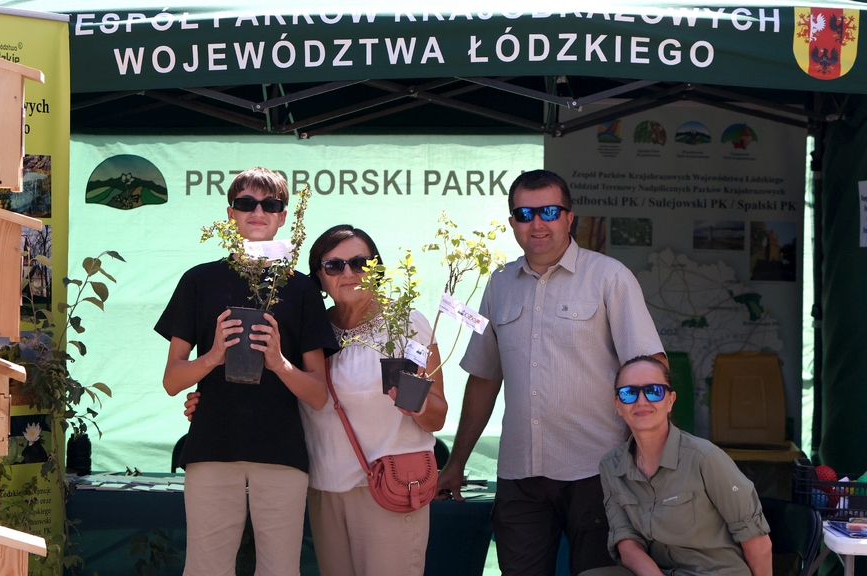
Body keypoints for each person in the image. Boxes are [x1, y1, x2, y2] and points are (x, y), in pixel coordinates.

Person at [435, 169, 667, 576]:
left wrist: (648, 459)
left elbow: (650, 371)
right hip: (520, 474)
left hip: (599, 470)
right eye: (524, 214)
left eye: (549, 211)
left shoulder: (609, 277)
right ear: (512, 222)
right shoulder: (499, 284)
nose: (537, 223)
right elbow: (484, 378)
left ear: (569, 217)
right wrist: (456, 463)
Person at [186, 224, 448, 576]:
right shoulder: (309, 328)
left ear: (377, 269)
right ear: (319, 279)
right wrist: (207, 402)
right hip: (324, 487)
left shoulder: (406, 325)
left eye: (360, 263)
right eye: (334, 265)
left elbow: (438, 415)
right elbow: (283, 390)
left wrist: (417, 404)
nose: (349, 273)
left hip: (389, 485)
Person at [155, 167, 337, 576]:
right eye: (246, 203)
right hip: (211, 446)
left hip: (282, 452)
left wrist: (279, 362)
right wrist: (213, 356)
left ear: (284, 216)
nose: (258, 212)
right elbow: (172, 381)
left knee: (280, 569)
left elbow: (318, 394)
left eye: (270, 204)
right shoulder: (199, 280)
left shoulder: (302, 289)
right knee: (206, 568)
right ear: (230, 213)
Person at [582, 355, 771, 576]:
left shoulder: (705, 458)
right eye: (629, 393)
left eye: (654, 391)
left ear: (670, 401)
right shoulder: (611, 466)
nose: (641, 401)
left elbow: (759, 545)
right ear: (617, 404)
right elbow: (627, 542)